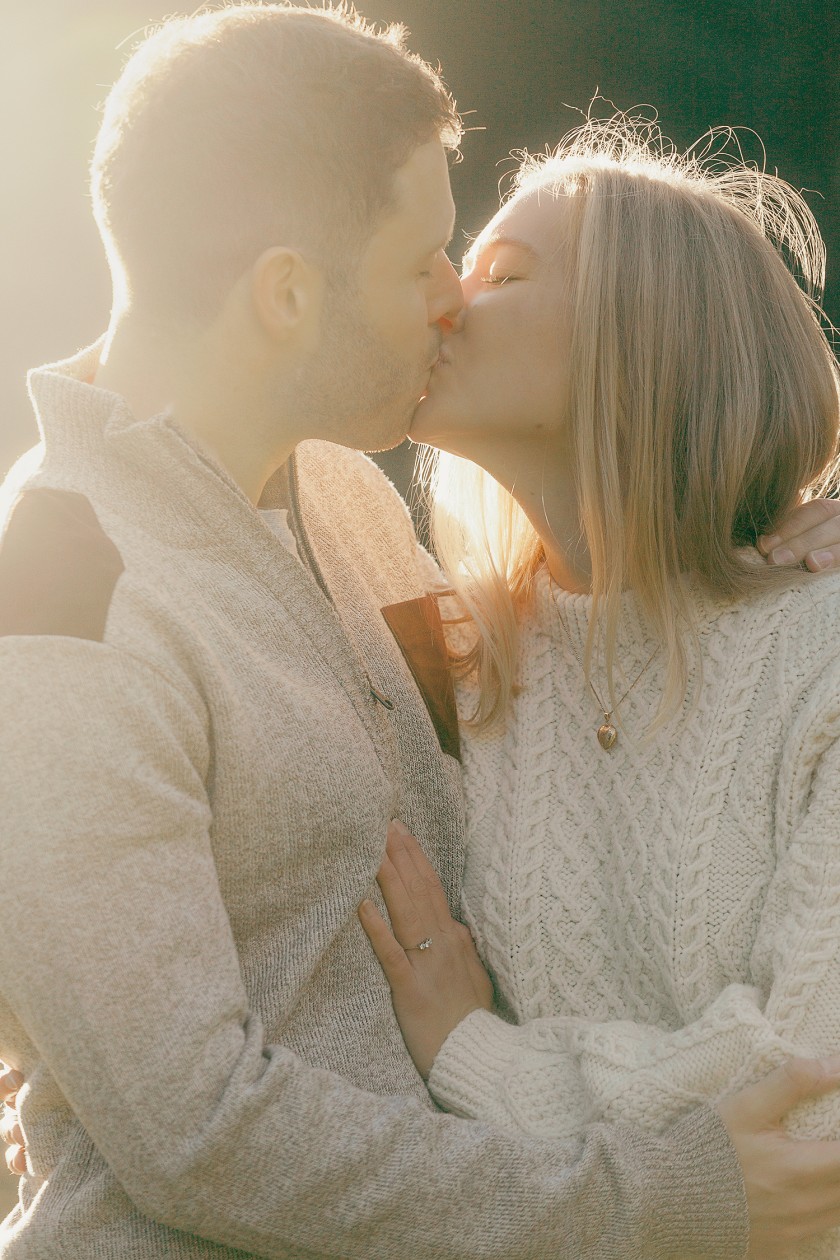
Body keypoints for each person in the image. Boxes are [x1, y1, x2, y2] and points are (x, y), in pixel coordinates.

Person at [3, 7, 840, 1255]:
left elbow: (609, 613)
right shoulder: (59, 600)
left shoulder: (335, 496)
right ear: (287, 293)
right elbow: (196, 1132)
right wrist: (658, 1197)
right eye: (428, 260)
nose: (449, 301)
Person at [357, 116, 840, 1258]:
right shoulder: (455, 662)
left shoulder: (820, 655)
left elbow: (809, 1105)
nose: (445, 301)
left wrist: (476, 1055)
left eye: (504, 274)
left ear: (647, 337)